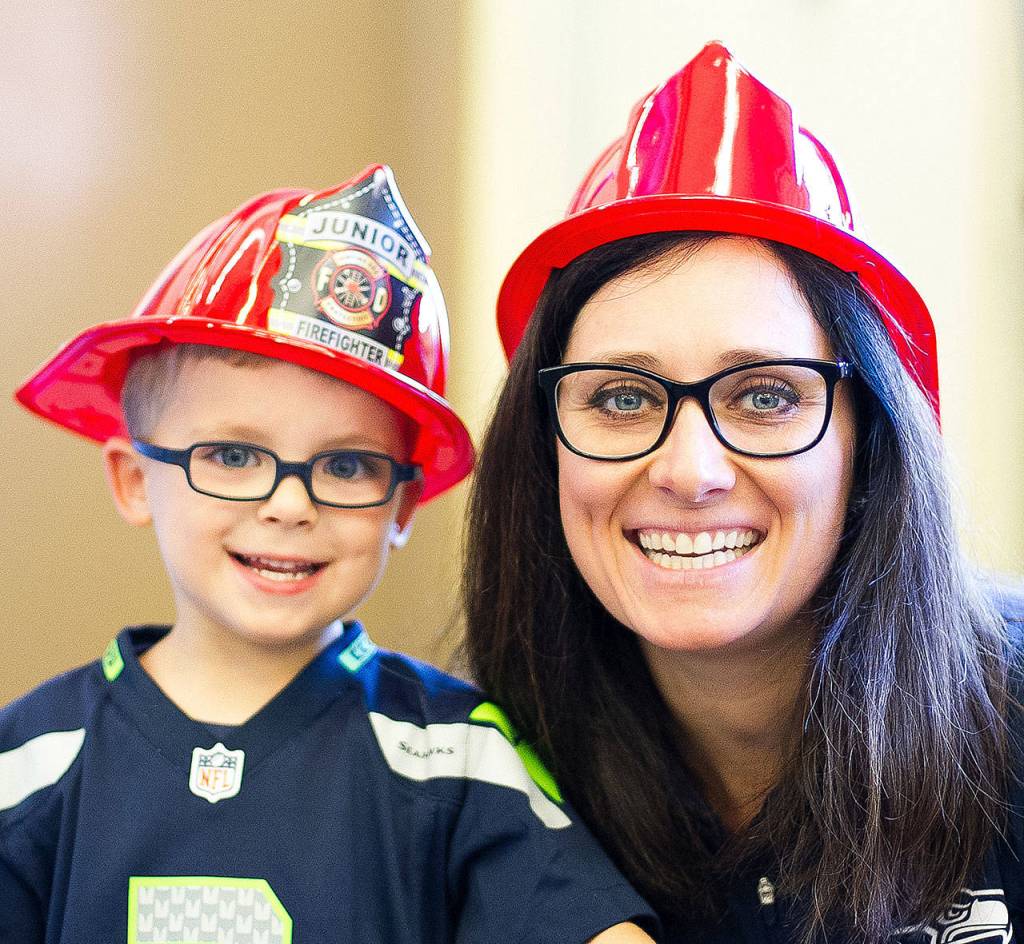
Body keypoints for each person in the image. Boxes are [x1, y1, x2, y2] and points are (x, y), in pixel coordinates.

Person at [1, 165, 657, 943]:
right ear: (135, 480)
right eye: (234, 457)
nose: (289, 504)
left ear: (404, 505)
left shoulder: (455, 754)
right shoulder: (33, 761)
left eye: (346, 467)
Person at [463, 42, 1024, 944]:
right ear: (541, 445)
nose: (690, 472)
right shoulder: (466, 771)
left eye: (765, 396)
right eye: (620, 397)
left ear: (869, 439)